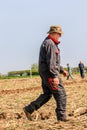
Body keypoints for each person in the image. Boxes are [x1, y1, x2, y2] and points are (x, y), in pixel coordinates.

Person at [23, 25, 68, 122]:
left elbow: (53, 61)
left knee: (47, 94)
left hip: (45, 73)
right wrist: (55, 76)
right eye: (59, 34)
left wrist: (62, 70)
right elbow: (51, 63)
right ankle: (62, 118)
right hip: (49, 73)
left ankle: (29, 109)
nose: (60, 36)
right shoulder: (50, 44)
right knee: (61, 94)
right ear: (53, 33)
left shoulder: (48, 42)